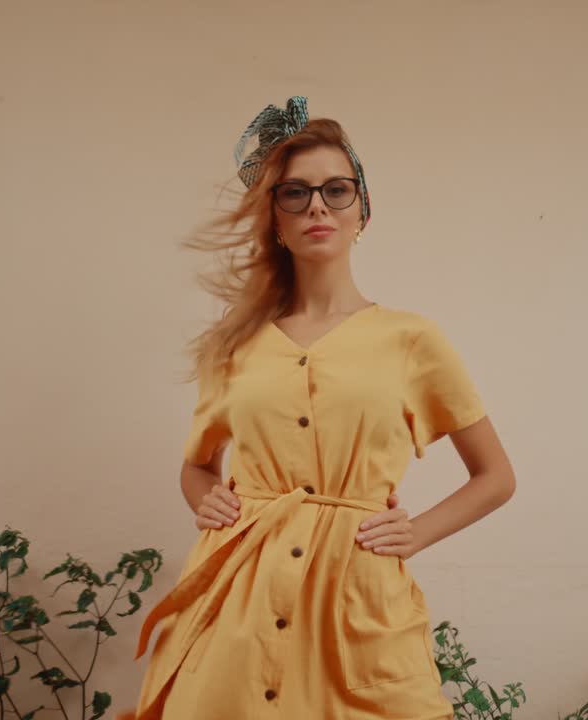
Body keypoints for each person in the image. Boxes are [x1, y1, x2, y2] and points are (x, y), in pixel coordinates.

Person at [119, 97, 516, 720]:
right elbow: (196, 468)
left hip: (353, 597)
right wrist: (207, 498)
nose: (318, 207)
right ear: (274, 219)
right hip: (238, 600)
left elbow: (496, 477)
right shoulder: (236, 344)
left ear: (362, 209)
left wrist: (415, 534)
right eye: (295, 194)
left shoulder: (411, 340)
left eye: (337, 189)